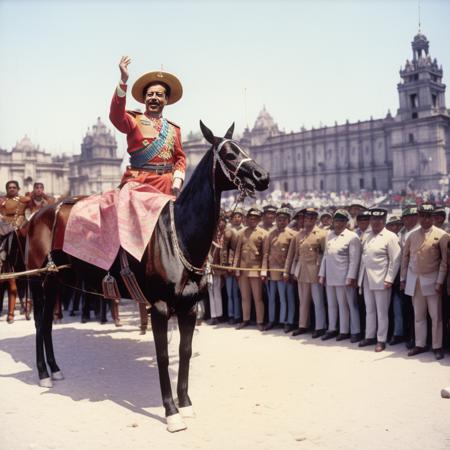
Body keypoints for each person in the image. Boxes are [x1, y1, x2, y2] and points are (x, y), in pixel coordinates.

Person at [109, 56, 186, 196]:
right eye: (150, 94)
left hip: (167, 185)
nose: (154, 98)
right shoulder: (134, 120)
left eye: (159, 94)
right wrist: (123, 81)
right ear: (144, 99)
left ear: (166, 100)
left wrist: (177, 180)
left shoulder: (174, 129)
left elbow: (180, 158)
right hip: (139, 184)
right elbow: (116, 116)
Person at [400, 203, 449, 360]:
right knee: (418, 315)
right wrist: (403, 278)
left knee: (436, 316)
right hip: (415, 280)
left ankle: (437, 346)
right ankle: (420, 344)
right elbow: (405, 258)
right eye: (422, 216)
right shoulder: (412, 235)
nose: (425, 219)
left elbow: (445, 261)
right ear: (419, 217)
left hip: (433, 279)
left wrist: (440, 281)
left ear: (433, 217)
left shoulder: (442, 235)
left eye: (429, 216)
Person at [357, 208, 401, 352]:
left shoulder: (390, 237)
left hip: (382, 280)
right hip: (367, 279)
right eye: (373, 219)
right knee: (370, 309)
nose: (376, 222)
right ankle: (369, 336)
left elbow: (395, 260)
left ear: (384, 220)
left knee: (382, 312)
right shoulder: (367, 235)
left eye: (379, 220)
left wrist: (389, 279)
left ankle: (381, 340)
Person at [319, 209, 362, 342]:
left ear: (346, 222)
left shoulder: (352, 237)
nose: (339, 223)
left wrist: (351, 277)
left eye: (342, 221)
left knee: (348, 305)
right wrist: (322, 274)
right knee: (332, 304)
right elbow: (326, 256)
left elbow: (354, 259)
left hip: (344, 276)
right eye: (337, 220)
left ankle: (352, 331)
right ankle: (332, 328)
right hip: (330, 275)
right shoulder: (330, 235)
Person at [284, 208, 327, 337]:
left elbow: (325, 255)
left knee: (318, 301)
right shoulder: (299, 235)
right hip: (301, 272)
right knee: (303, 301)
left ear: (315, 219)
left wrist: (323, 273)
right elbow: (292, 255)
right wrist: (287, 271)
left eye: (312, 219)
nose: (308, 221)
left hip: (315, 272)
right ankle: (303, 325)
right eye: (306, 219)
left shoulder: (322, 234)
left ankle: (320, 327)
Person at [261, 207, 297, 332]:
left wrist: (289, 272)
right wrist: (264, 271)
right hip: (272, 271)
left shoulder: (292, 235)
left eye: (284, 219)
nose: (281, 221)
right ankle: (272, 320)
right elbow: (266, 254)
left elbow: (293, 256)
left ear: (288, 220)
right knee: (272, 298)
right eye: (279, 219)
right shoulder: (270, 234)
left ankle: (288, 321)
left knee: (286, 297)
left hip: (285, 272)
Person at [233, 208, 268, 331]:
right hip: (243, 269)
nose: (252, 220)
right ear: (246, 219)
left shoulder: (263, 233)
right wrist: (236, 269)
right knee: (245, 297)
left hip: (256, 269)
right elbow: (237, 252)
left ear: (259, 220)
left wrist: (263, 271)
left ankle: (260, 321)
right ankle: (245, 319)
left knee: (258, 298)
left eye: (255, 218)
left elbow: (265, 255)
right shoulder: (242, 233)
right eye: (250, 218)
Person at [0, 180, 29, 323]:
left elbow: (39, 203)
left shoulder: (24, 199)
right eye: (9, 187)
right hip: (4, 232)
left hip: (20, 233)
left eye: (14, 187)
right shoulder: (2, 201)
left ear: (18, 189)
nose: (11, 189)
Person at [221, 208, 244, 324]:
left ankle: (241, 315)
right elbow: (225, 249)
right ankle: (232, 315)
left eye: (239, 216)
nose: (237, 218)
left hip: (242, 264)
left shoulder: (245, 230)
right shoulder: (228, 231)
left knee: (241, 293)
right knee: (231, 293)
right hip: (230, 264)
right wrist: (226, 264)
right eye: (235, 216)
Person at [207, 216, 227, 325]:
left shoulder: (222, 239)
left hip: (217, 268)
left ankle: (218, 315)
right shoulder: (209, 238)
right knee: (211, 291)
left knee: (217, 291)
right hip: (208, 267)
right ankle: (213, 315)